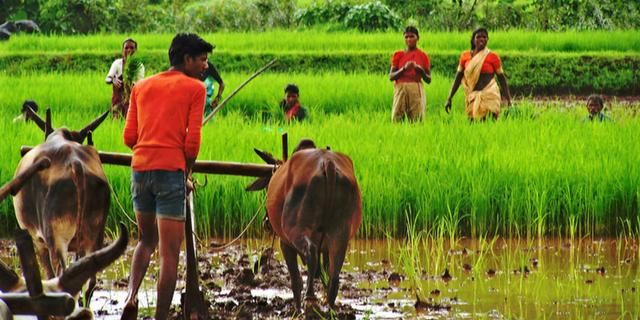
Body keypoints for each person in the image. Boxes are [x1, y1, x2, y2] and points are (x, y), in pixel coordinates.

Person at [121, 33, 212, 320]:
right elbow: (193, 143)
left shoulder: (141, 87)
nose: (205, 66)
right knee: (169, 252)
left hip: (140, 170)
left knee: (145, 241)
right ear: (187, 60)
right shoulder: (196, 89)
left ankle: (131, 297)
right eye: (202, 60)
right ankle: (161, 316)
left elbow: (129, 137)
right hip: (170, 172)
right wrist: (186, 171)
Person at [445, 27, 511, 121]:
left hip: (490, 95)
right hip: (472, 96)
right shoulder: (465, 56)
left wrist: (509, 100)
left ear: (488, 39)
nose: (481, 39)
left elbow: (502, 79)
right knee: (472, 124)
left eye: (484, 37)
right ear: (473, 39)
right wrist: (449, 97)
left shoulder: (493, 57)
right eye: (478, 37)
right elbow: (458, 78)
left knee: (490, 123)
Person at [389, 26, 431, 122]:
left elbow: (428, 79)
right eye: (406, 37)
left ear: (417, 38)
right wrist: (404, 69)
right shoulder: (398, 55)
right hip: (400, 88)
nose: (409, 39)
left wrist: (421, 72)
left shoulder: (423, 56)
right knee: (397, 118)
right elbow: (391, 76)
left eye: (412, 36)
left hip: (416, 88)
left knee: (417, 119)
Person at [106, 38, 145, 119]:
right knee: (116, 121)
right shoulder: (117, 63)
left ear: (136, 50)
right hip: (117, 101)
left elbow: (140, 83)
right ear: (122, 50)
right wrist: (113, 80)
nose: (129, 50)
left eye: (132, 48)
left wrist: (132, 85)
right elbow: (108, 79)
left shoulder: (139, 66)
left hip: (132, 101)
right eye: (126, 48)